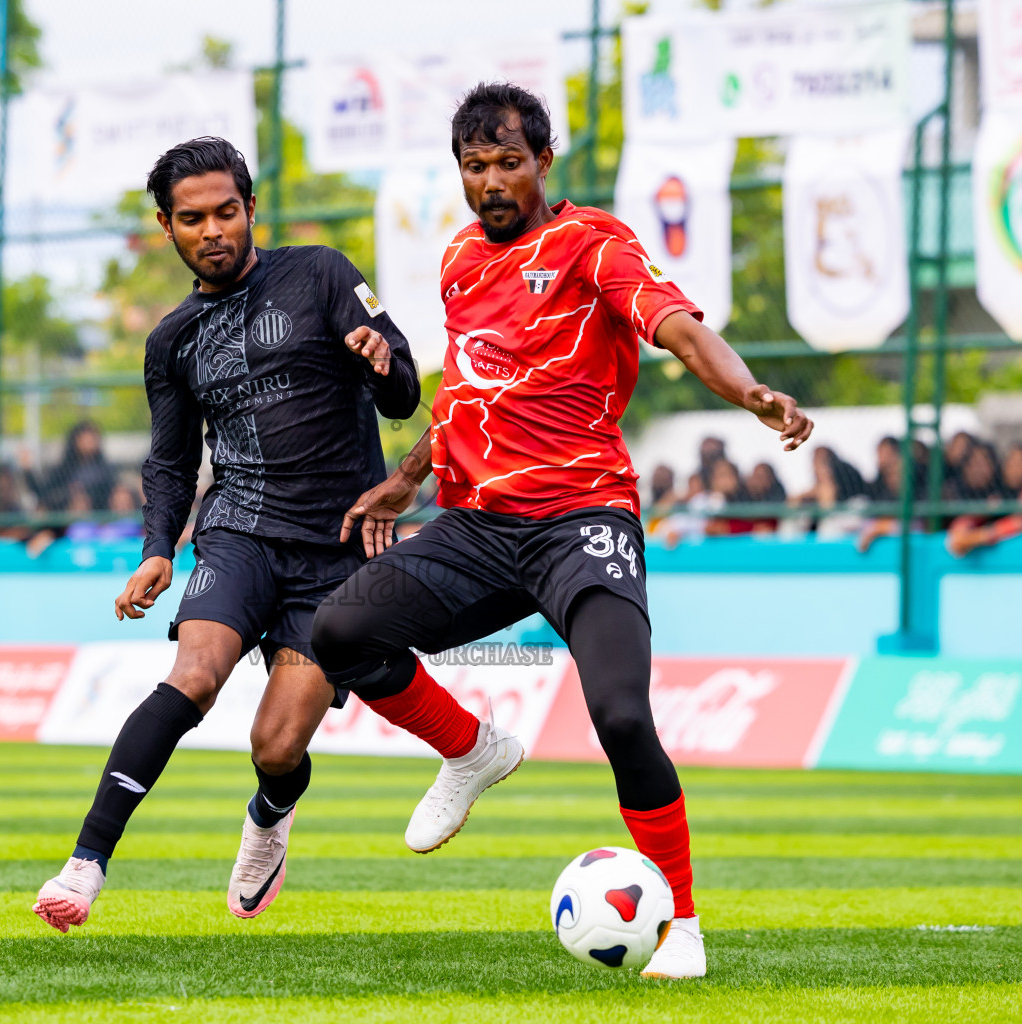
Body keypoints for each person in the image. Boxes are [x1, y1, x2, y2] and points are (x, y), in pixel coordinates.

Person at [309, 83, 813, 980]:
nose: (493, 181)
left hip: (582, 520)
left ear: (544, 162)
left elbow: (684, 333)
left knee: (620, 714)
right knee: (341, 630)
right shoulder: (460, 258)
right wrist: (405, 478)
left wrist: (752, 394)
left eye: (509, 162)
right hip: (476, 524)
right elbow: (468, 392)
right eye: (476, 166)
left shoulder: (594, 244)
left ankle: (684, 927)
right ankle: (471, 751)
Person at [33, 136, 459, 932]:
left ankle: (270, 814)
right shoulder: (171, 340)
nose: (213, 230)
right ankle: (85, 863)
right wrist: (159, 546)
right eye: (192, 219)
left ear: (251, 209)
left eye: (227, 212)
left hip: (334, 551)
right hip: (237, 535)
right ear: (167, 226)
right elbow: (169, 461)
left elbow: (403, 395)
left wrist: (380, 358)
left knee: (276, 745)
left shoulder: (324, 273)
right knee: (195, 674)